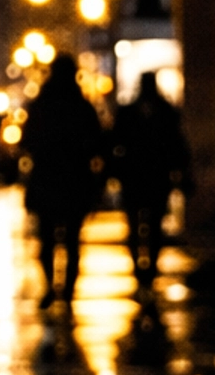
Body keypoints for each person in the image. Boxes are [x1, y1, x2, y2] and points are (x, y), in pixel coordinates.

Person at [21, 52, 107, 308]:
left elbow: (26, 142)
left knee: (47, 240)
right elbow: (97, 144)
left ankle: (52, 288)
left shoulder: (41, 104)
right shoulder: (81, 106)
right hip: (74, 180)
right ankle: (67, 292)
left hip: (46, 178)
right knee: (71, 240)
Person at [110, 69, 191, 277]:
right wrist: (181, 172)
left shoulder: (127, 112)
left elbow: (114, 142)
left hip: (133, 175)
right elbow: (177, 144)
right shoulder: (167, 111)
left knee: (135, 225)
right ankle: (150, 268)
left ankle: (139, 266)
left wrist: (112, 170)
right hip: (158, 174)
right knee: (154, 225)